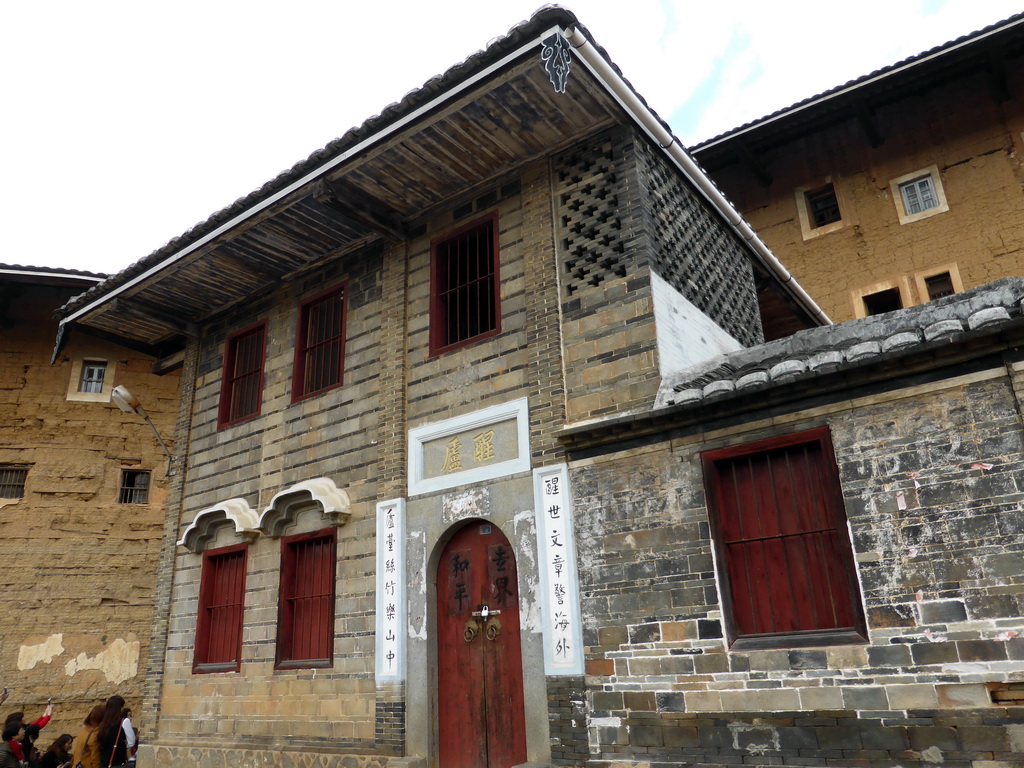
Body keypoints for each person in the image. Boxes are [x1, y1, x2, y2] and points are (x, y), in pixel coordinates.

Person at [96, 697, 128, 768]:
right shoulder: (122, 723)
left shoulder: (103, 725)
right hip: (117, 763)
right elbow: (130, 742)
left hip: (104, 763)